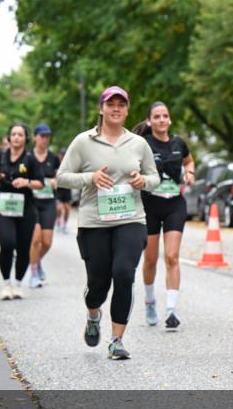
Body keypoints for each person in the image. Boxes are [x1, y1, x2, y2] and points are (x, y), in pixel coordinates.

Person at [56, 86, 159, 361]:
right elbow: (62, 177)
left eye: (121, 104)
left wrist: (143, 182)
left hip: (131, 218)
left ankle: (116, 341)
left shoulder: (138, 144)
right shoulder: (83, 142)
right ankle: (93, 314)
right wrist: (90, 178)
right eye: (110, 104)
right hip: (94, 221)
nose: (116, 108)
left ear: (127, 110)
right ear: (101, 109)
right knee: (98, 284)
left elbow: (154, 178)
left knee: (124, 274)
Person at [132, 102, 196, 330]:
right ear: (149, 121)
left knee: (171, 257)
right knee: (150, 260)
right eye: (157, 116)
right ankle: (150, 300)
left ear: (169, 120)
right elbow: (132, 166)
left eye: (165, 116)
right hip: (149, 204)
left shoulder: (179, 143)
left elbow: (189, 160)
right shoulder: (143, 144)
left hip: (174, 205)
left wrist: (189, 172)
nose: (161, 120)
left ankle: (171, 310)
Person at [0, 124, 44, 301]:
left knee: (22, 248)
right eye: (14, 134)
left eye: (20, 134)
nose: (17, 137)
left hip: (25, 209)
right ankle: (6, 284)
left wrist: (26, 182)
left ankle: (18, 284)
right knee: (7, 243)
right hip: (3, 208)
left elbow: (40, 183)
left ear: (25, 138)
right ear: (9, 138)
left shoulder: (30, 159)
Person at [28, 124, 61, 288]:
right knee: (35, 239)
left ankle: (36, 261)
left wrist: (56, 181)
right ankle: (33, 273)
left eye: (47, 136)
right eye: (42, 136)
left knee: (47, 242)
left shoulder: (53, 158)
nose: (44, 139)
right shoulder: (28, 157)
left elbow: (61, 176)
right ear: (35, 137)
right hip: (32, 203)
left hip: (48, 202)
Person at [55, 147, 72, 234]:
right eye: (62, 154)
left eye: (64, 154)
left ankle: (65, 224)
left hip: (67, 189)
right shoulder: (56, 163)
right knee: (59, 208)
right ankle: (58, 221)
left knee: (67, 209)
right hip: (58, 189)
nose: (63, 156)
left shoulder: (70, 164)